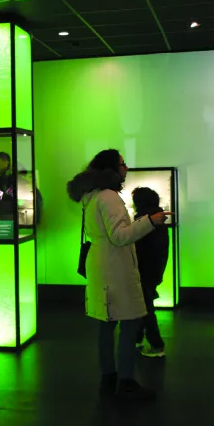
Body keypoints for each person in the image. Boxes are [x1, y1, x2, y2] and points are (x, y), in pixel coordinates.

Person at [67, 149, 171, 400]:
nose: (126, 168)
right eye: (122, 164)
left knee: (106, 324)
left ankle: (109, 377)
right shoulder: (109, 196)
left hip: (101, 265)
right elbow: (120, 236)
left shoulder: (90, 195)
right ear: (111, 169)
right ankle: (126, 382)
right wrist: (150, 222)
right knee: (129, 322)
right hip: (116, 268)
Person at [131, 187, 170, 358]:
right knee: (143, 306)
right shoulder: (158, 219)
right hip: (153, 269)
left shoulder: (145, 221)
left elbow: (139, 248)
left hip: (143, 270)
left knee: (144, 308)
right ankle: (138, 339)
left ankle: (156, 345)